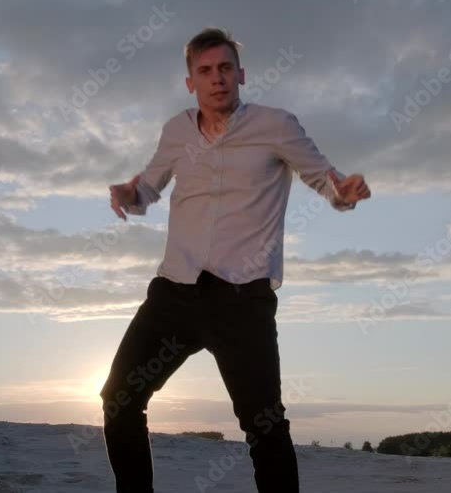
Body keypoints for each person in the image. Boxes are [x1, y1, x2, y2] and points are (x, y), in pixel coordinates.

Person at [100, 27, 371, 492]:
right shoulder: (177, 131)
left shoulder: (276, 126)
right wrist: (130, 193)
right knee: (120, 398)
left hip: (243, 301)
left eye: (225, 68)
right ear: (190, 81)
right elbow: (149, 185)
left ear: (240, 74)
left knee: (264, 424)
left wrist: (342, 191)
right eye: (205, 71)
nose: (217, 79)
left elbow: (323, 177)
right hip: (174, 294)